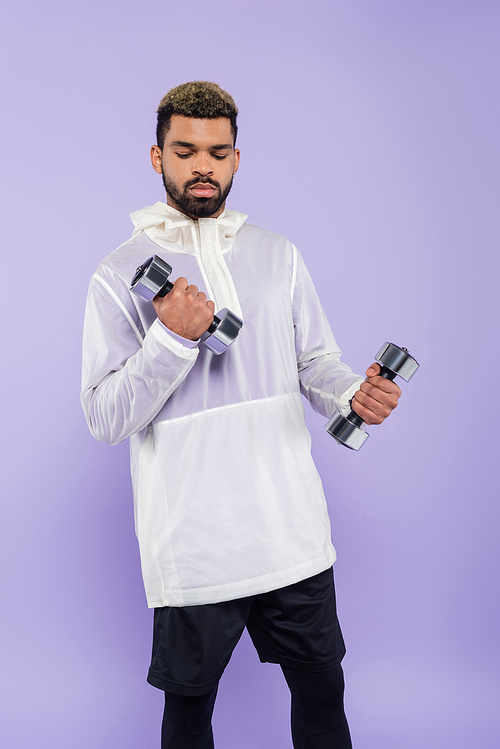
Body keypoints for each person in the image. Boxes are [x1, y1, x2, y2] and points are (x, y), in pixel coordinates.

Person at [81, 81, 401, 749]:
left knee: (323, 695)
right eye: (186, 150)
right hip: (193, 544)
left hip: (291, 530)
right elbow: (105, 417)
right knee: (190, 715)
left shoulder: (276, 254)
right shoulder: (120, 273)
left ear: (235, 158)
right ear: (156, 156)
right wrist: (170, 336)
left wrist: (354, 397)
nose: (203, 166)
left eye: (219, 152)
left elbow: (316, 362)